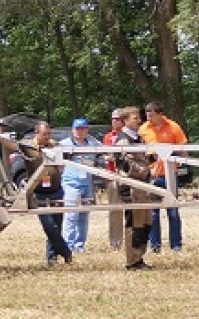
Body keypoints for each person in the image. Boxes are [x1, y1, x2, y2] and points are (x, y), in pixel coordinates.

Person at [139, 101, 188, 252]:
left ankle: (176, 245)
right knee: (153, 212)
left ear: (160, 114)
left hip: (170, 175)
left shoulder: (173, 127)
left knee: (172, 210)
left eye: (152, 115)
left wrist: (182, 167)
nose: (149, 119)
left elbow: (183, 149)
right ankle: (155, 246)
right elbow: (140, 152)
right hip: (152, 176)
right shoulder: (143, 129)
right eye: (147, 116)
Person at [114, 106, 154, 270]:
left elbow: (144, 159)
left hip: (142, 186)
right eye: (135, 118)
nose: (139, 120)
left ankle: (140, 256)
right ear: (125, 121)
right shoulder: (123, 140)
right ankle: (132, 260)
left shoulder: (139, 138)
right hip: (130, 186)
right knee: (134, 223)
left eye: (139, 117)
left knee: (145, 222)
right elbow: (125, 165)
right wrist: (145, 170)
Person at [28, 121, 73, 266]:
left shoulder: (55, 145)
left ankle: (52, 257)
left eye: (49, 134)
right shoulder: (28, 147)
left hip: (56, 190)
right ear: (37, 133)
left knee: (57, 225)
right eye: (44, 134)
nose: (47, 137)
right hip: (39, 192)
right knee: (49, 226)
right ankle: (66, 251)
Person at [59, 118, 101, 253]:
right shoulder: (64, 144)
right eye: (78, 128)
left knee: (84, 215)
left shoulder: (93, 143)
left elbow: (106, 152)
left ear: (87, 130)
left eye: (83, 128)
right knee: (71, 215)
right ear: (72, 130)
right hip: (71, 183)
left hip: (87, 183)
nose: (80, 131)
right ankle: (68, 246)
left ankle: (79, 245)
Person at [103, 108, 125, 249]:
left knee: (134, 210)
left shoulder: (129, 136)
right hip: (112, 176)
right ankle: (115, 242)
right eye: (113, 119)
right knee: (115, 211)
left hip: (128, 176)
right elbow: (105, 155)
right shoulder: (108, 137)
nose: (114, 121)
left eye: (117, 119)